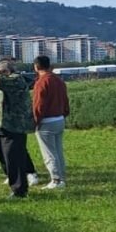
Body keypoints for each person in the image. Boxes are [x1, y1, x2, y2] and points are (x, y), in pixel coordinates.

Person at [0, 61, 35, 199]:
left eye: (1, 72)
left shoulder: (15, 79)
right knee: (10, 157)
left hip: (14, 125)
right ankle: (18, 188)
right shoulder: (10, 80)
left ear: (6, 72)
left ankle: (19, 190)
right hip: (7, 125)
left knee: (14, 157)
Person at [33, 55, 70, 190]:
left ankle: (56, 179)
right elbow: (65, 99)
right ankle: (62, 177)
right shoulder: (59, 80)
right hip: (59, 118)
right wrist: (64, 113)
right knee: (58, 151)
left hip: (46, 121)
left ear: (36, 67)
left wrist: (35, 121)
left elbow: (39, 104)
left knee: (49, 152)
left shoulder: (42, 82)